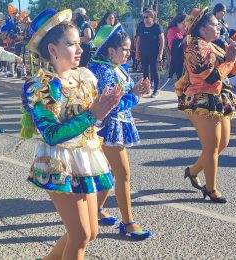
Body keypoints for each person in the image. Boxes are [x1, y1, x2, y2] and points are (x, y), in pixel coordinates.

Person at [20, 9, 122, 259]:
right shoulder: (42, 86)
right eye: (72, 44)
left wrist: (123, 100)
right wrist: (92, 114)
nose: (79, 49)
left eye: (79, 43)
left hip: (86, 158)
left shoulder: (84, 76)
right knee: (79, 236)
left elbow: (94, 119)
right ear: (53, 50)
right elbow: (52, 134)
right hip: (60, 163)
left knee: (91, 232)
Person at [88, 24, 153, 240]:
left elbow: (129, 88)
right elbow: (109, 105)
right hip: (106, 127)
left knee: (111, 172)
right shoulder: (103, 70)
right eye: (124, 49)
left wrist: (140, 89)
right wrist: (134, 95)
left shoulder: (118, 67)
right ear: (110, 51)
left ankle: (95, 210)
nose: (129, 53)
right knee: (123, 174)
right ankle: (128, 223)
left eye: (128, 49)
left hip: (117, 125)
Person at [175, 7, 236, 203]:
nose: (219, 27)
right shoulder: (195, 48)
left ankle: (192, 171)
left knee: (222, 144)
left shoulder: (213, 45)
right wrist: (229, 60)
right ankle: (210, 188)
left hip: (219, 97)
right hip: (201, 98)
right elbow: (211, 76)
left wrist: (232, 55)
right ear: (203, 29)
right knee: (211, 145)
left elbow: (233, 72)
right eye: (215, 24)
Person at [135, 9, 164, 98]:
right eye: (144, 17)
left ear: (152, 17)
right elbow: (138, 40)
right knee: (145, 71)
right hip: (144, 52)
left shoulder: (157, 27)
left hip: (154, 52)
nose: (145, 19)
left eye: (147, 17)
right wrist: (137, 52)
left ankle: (156, 90)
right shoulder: (141, 26)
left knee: (154, 71)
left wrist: (160, 53)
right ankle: (147, 89)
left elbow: (162, 40)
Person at [166, 13, 187, 89]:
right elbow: (175, 45)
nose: (185, 25)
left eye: (186, 23)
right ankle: (181, 97)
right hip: (177, 59)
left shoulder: (183, 30)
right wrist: (185, 38)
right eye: (183, 23)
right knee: (181, 80)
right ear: (178, 22)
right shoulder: (172, 30)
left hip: (185, 58)